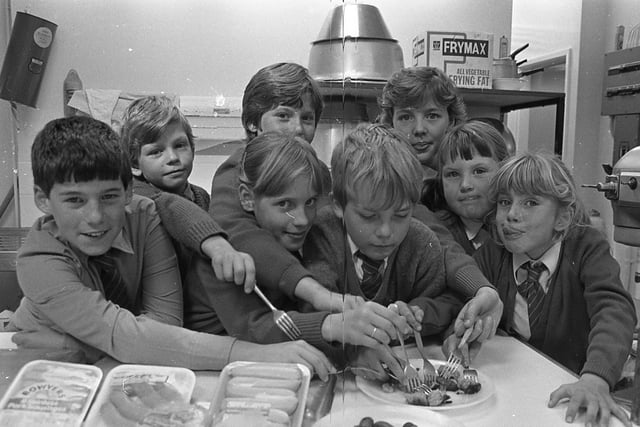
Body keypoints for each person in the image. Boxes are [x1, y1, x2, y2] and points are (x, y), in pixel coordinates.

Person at [8, 116, 334, 378]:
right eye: (75, 200)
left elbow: (163, 324)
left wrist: (134, 345)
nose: (95, 217)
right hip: (42, 373)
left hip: (123, 371)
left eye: (109, 197)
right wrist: (258, 354)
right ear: (43, 200)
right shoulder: (38, 260)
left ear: (128, 192)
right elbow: (127, 337)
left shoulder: (146, 216)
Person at [196, 131, 410, 363]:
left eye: (310, 202)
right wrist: (332, 327)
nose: (302, 220)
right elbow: (256, 330)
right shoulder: (224, 257)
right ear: (247, 198)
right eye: (284, 204)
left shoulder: (296, 240)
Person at [472, 152, 636, 427]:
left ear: (562, 218)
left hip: (577, 390)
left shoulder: (586, 248)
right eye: (504, 202)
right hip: (521, 391)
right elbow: (458, 297)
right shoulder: (493, 254)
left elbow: (614, 310)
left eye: (530, 203)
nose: (511, 214)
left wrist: (596, 377)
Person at [303, 123, 465, 379]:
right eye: (369, 216)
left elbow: (448, 301)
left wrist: (418, 311)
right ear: (337, 205)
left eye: (401, 215)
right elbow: (310, 315)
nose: (386, 231)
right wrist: (352, 352)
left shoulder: (422, 243)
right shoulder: (320, 237)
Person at [378, 66, 503, 351]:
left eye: (432, 115)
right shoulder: (403, 194)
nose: (419, 129)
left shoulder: (478, 199)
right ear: (391, 123)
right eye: (406, 116)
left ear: (452, 120)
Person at [119, 95, 254, 330]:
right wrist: (220, 247)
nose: (172, 158)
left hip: (192, 310)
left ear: (192, 147)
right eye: (156, 152)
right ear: (134, 164)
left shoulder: (200, 196)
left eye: (180, 145)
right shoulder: (137, 195)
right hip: (149, 314)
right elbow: (170, 206)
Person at [422, 120, 510, 255]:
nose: (465, 185)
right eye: (453, 174)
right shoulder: (431, 233)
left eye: (479, 171)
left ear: (504, 171)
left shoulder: (519, 230)